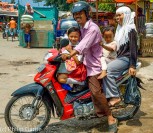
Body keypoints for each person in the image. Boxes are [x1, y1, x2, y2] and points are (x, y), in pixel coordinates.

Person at [62, 1, 118, 132]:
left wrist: (70, 54)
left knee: (95, 92)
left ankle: (110, 116)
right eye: (75, 14)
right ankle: (96, 111)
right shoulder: (81, 27)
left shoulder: (92, 28)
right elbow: (74, 40)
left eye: (80, 14)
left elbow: (83, 45)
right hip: (86, 62)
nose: (77, 16)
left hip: (95, 64)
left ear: (86, 14)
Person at [103, 6, 137, 107]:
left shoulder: (130, 29)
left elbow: (133, 48)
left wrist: (132, 65)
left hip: (126, 58)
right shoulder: (120, 29)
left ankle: (115, 96)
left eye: (120, 15)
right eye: (116, 15)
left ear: (126, 15)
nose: (117, 17)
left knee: (108, 71)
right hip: (119, 58)